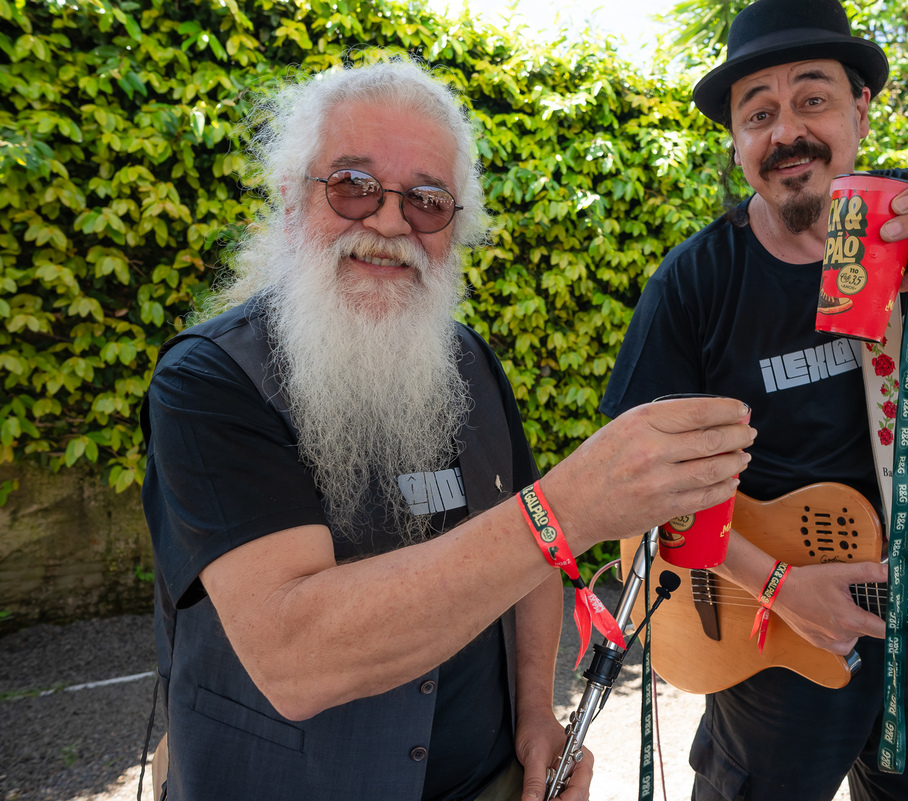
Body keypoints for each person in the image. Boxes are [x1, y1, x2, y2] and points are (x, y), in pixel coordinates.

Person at [140, 57, 756, 801]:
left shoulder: (468, 362)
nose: (391, 220)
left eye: (429, 200)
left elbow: (533, 565)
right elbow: (297, 654)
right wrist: (570, 505)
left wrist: (536, 710)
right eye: (353, 185)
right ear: (289, 200)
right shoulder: (207, 380)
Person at [599, 0, 908, 799]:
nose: (785, 132)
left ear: (860, 108)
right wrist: (777, 584)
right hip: (769, 633)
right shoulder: (696, 282)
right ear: (737, 142)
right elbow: (633, 486)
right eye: (757, 113)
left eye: (813, 99)